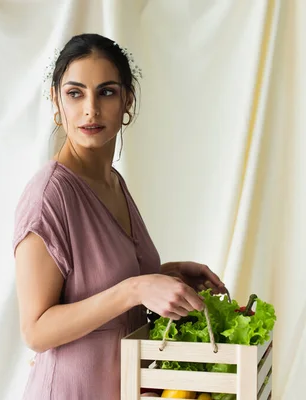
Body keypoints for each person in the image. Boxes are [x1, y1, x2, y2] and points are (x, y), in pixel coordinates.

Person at [12, 33, 227, 399]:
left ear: (127, 99)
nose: (90, 109)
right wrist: (136, 288)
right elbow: (35, 330)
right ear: (55, 99)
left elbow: (98, 282)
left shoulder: (112, 182)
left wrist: (164, 276)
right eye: (75, 93)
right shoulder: (50, 196)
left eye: (106, 92)